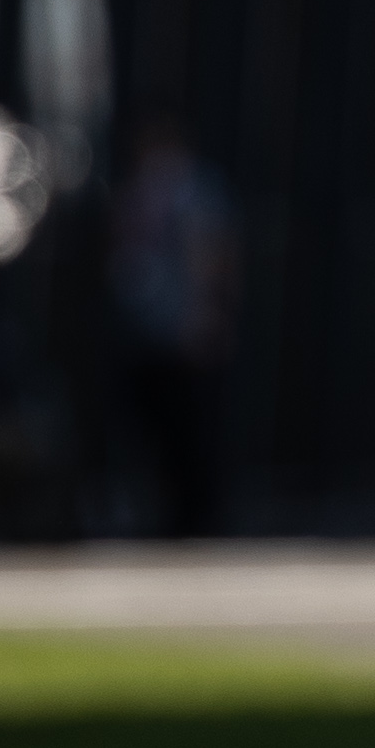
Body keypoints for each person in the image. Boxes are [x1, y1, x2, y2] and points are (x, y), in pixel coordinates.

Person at [105, 113, 234, 537]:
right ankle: (166, 513)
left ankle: (198, 519)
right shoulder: (139, 192)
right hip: (145, 331)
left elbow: (210, 254)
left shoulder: (193, 192)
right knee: (153, 426)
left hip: (180, 328)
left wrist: (205, 316)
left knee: (189, 429)